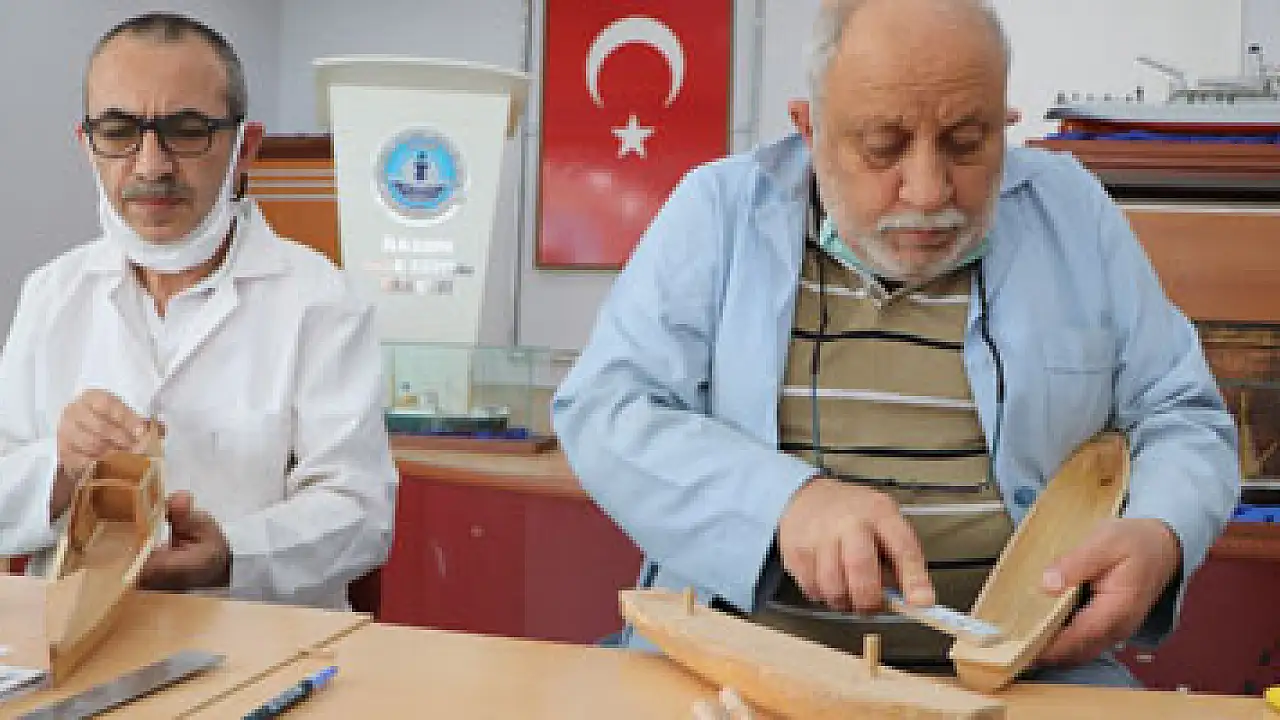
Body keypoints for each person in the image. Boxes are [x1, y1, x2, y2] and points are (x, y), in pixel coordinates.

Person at [553, 0, 1239, 686]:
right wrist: (786, 503)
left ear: (1005, 123)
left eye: (966, 143)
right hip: (739, 661)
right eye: (883, 147)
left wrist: (1162, 531)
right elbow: (607, 409)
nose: (929, 190)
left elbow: (1181, 415)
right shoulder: (720, 212)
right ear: (809, 128)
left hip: (1031, 675)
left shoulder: (1073, 213)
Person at [0, 12, 396, 610]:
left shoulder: (320, 301)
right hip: (73, 640)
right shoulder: (52, 294)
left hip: (261, 643)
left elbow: (361, 512)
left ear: (245, 148)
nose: (151, 165)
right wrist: (59, 467)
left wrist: (231, 554)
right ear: (87, 145)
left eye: (186, 131)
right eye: (119, 131)